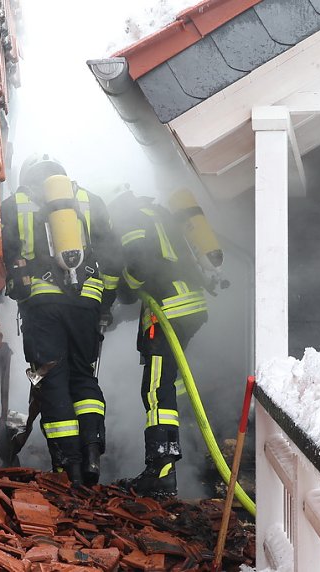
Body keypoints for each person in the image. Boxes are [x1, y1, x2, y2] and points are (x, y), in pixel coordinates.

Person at [0, 153, 120, 486]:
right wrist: (104, 303)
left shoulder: (16, 203)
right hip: (87, 303)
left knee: (51, 380)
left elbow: (4, 250)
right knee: (83, 377)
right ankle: (93, 452)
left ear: (28, 176)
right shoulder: (89, 201)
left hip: (42, 305)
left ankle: (68, 468)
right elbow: (112, 255)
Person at [104, 183, 209, 498]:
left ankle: (161, 472)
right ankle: (175, 456)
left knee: (155, 389)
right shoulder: (158, 212)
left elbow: (139, 265)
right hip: (190, 305)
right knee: (169, 384)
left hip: (169, 309)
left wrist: (126, 288)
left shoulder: (132, 218)